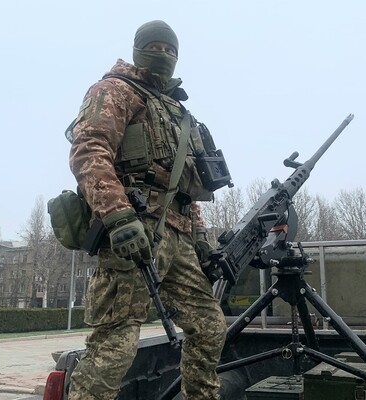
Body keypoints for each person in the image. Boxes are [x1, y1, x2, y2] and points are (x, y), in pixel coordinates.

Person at [67, 20, 227, 400]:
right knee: (117, 343)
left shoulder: (179, 113)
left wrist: (201, 239)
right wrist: (118, 216)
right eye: (155, 47)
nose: (163, 55)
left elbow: (185, 189)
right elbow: (89, 149)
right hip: (135, 231)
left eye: (170, 50)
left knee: (209, 326)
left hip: (179, 239)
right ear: (139, 49)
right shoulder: (115, 90)